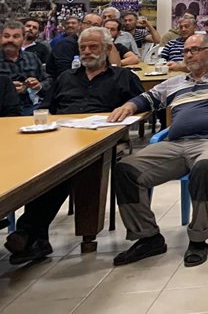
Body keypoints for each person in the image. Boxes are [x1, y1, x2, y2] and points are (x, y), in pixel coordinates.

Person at [108, 33, 208, 268]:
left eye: (194, 50)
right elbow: (146, 99)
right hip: (174, 145)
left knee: (206, 168)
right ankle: (148, 237)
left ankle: (198, 239)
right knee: (125, 170)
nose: (188, 55)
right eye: (186, 51)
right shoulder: (173, 83)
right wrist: (129, 105)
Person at [4, 27, 143, 264]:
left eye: (93, 47)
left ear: (107, 49)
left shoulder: (123, 77)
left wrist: (128, 108)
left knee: (64, 168)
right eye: (83, 47)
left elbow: (142, 103)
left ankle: (29, 233)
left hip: (101, 140)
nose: (87, 52)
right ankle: (34, 236)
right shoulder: (66, 77)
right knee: (37, 166)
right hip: (60, 137)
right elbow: (46, 109)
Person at [0, 20, 48, 115]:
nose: (10, 40)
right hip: (4, 110)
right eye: (6, 36)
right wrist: (7, 89)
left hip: (31, 107)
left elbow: (48, 80)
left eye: (16, 37)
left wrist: (39, 86)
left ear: (23, 38)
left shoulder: (32, 57)